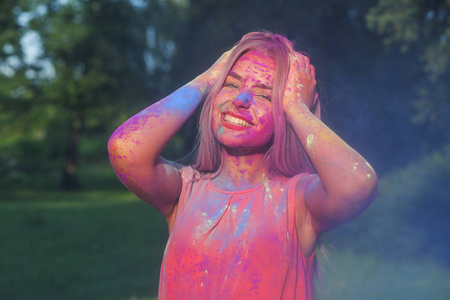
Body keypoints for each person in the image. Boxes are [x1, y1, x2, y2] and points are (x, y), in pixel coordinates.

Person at [108, 31, 377, 299]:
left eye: (264, 95)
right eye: (232, 85)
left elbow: (357, 182)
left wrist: (297, 107)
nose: (241, 100)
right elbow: (125, 148)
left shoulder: (298, 201)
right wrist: (210, 77)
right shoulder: (184, 190)